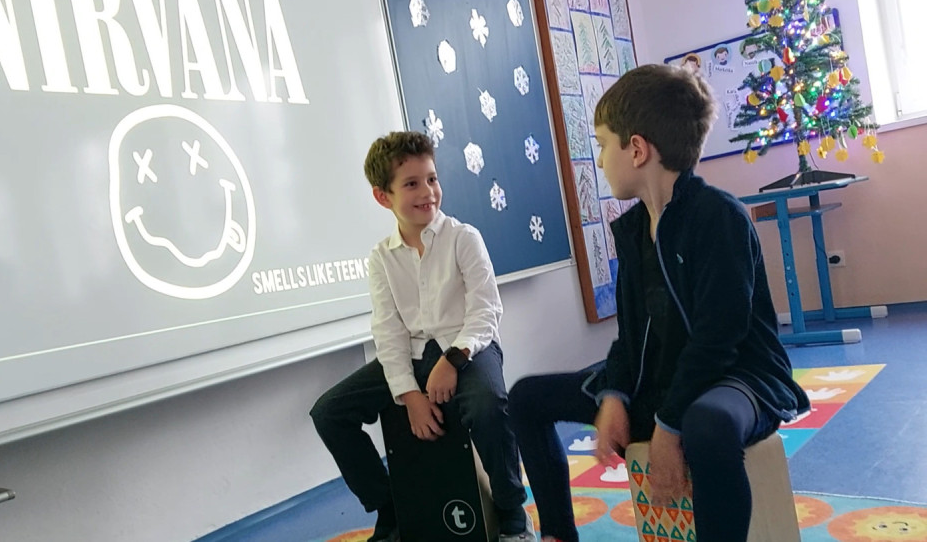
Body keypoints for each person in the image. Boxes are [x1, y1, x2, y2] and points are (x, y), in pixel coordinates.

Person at [507, 64, 809, 542]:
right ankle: (557, 535)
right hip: (662, 382)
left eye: (603, 144)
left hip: (739, 378)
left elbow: (719, 339)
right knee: (526, 397)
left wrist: (668, 428)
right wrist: (613, 395)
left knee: (705, 424)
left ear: (637, 149)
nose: (600, 160)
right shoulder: (633, 231)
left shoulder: (719, 217)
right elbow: (631, 337)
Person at [310, 131, 536, 542]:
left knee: (487, 404)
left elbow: (486, 311)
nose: (428, 192)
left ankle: (511, 510)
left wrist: (453, 360)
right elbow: (389, 331)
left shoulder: (464, 238)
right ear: (383, 197)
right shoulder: (381, 258)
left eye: (432, 179)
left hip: (469, 347)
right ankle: (390, 508)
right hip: (413, 355)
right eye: (412, 184)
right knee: (329, 413)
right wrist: (409, 394)